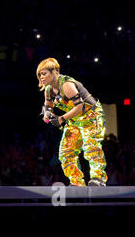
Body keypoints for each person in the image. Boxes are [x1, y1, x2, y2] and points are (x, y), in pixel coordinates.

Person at [37, 58, 107, 186]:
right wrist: (47, 115)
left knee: (91, 146)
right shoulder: (48, 90)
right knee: (65, 152)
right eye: (40, 74)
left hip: (90, 115)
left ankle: (98, 178)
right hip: (74, 120)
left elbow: (80, 107)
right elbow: (47, 107)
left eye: (44, 73)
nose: (41, 77)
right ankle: (76, 183)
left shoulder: (66, 84)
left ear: (55, 72)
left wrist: (61, 119)